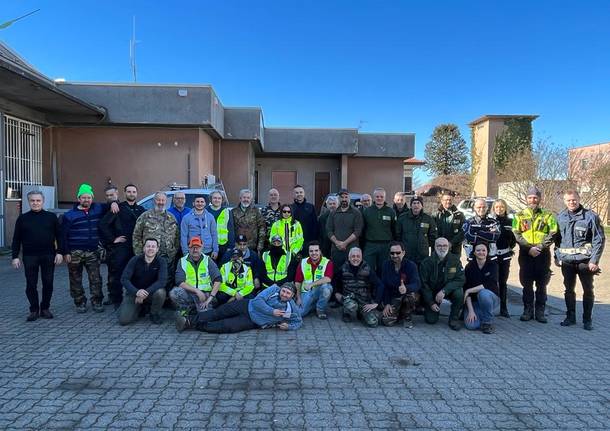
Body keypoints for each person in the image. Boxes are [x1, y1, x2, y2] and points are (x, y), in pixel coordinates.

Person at [555, 190, 605, 330]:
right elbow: (557, 240)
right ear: (565, 201)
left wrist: (594, 261)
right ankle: (570, 317)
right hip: (567, 261)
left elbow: (599, 240)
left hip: (585, 261)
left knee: (588, 290)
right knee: (568, 289)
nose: (571, 202)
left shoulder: (590, 216)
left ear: (578, 199)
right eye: (568, 200)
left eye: (574, 200)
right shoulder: (560, 217)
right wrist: (557, 257)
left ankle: (587, 319)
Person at [11, 190, 63, 321]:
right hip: (29, 256)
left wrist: (60, 252)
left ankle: (45, 308)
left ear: (43, 201)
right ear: (29, 202)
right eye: (32, 200)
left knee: (48, 283)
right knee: (31, 284)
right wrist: (15, 256)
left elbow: (60, 236)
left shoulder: (51, 217)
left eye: (38, 200)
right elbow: (16, 239)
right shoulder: (22, 219)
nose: (35, 203)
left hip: (48, 255)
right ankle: (34, 310)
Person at [175, 282, 302, 333]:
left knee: (225, 326)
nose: (284, 294)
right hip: (246, 305)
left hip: (253, 321)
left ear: (292, 296)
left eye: (288, 293)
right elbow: (258, 300)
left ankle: (194, 325)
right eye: (283, 291)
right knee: (218, 312)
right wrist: (272, 311)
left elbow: (298, 321)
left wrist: (289, 327)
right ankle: (188, 320)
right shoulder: (274, 289)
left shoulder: (291, 308)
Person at [512, 186, 558, 323]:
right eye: (530, 197)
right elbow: (516, 234)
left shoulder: (548, 215)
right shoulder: (519, 215)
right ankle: (527, 310)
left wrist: (540, 246)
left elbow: (553, 232)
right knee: (526, 284)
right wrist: (528, 248)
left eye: (535, 197)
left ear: (539, 199)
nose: (533, 200)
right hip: (526, 253)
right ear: (527, 199)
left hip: (542, 254)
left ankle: (540, 311)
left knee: (542, 284)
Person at [60, 183, 108, 313]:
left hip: (92, 251)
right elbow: (62, 235)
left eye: (89, 197)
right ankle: (80, 302)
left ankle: (97, 301)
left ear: (92, 198)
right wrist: (65, 252)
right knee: (75, 279)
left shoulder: (97, 208)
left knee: (96, 278)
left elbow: (110, 205)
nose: (86, 200)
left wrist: (115, 202)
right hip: (74, 252)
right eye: (83, 197)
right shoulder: (69, 215)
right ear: (78, 198)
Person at [99, 183, 145, 309]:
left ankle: (135, 299)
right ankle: (117, 301)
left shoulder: (141, 210)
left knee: (136, 274)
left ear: (137, 193)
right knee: (117, 273)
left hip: (136, 247)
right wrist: (113, 239)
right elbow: (103, 224)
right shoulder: (118, 208)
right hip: (121, 248)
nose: (131, 194)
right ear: (124, 194)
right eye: (129, 191)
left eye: (134, 192)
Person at [132, 191, 181, 297]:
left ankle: (167, 300)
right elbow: (136, 236)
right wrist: (140, 254)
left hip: (168, 257)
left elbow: (177, 237)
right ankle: (148, 302)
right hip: (149, 257)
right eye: (158, 200)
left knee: (168, 279)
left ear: (166, 201)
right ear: (154, 201)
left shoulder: (171, 217)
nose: (161, 202)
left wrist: (173, 251)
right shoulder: (145, 216)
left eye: (163, 200)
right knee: (149, 280)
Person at [117, 238, 168, 325]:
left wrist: (144, 293)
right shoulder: (135, 260)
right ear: (144, 248)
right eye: (148, 246)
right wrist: (136, 292)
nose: (150, 249)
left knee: (161, 292)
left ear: (157, 249)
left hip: (151, 293)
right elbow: (124, 279)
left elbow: (162, 281)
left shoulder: (161, 261)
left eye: (153, 246)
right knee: (124, 320)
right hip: (134, 292)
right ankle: (140, 308)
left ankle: (154, 313)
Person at [419, 237, 465, 330]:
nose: (442, 248)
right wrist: (431, 302)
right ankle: (428, 308)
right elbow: (424, 285)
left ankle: (453, 319)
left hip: (448, 291)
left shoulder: (455, 260)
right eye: (439, 246)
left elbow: (460, 279)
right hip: (433, 293)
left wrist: (444, 291)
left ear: (449, 247)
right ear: (434, 247)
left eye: (445, 246)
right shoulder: (426, 262)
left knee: (459, 292)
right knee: (431, 320)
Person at [170, 237, 222, 315]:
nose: (195, 250)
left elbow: (218, 279)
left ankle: (194, 311)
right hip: (190, 293)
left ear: (202, 247)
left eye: (198, 247)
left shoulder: (208, 260)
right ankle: (187, 309)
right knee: (174, 292)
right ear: (188, 248)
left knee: (204, 318)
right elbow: (179, 282)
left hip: (205, 296)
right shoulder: (182, 261)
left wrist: (210, 298)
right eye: (192, 247)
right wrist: (196, 291)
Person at [337, 247, 384, 327]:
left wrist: (376, 302)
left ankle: (360, 313)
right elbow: (335, 281)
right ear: (349, 257)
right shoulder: (343, 268)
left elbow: (380, 285)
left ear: (361, 257)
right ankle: (346, 313)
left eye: (358, 256)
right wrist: (336, 293)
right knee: (351, 305)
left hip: (364, 300)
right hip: (349, 299)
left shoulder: (368, 269)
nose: (355, 258)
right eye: (353, 256)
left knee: (373, 323)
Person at [380, 241, 420, 328]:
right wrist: (387, 303)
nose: (395, 255)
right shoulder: (385, 265)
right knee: (387, 321)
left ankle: (407, 317)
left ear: (403, 253)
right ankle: (399, 314)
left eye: (398, 253)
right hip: (394, 297)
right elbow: (384, 285)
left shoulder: (411, 265)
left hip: (407, 295)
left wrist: (406, 288)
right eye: (392, 253)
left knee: (411, 296)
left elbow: (417, 284)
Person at [463, 242, 500, 334]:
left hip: (490, 298)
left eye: (484, 250)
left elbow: (489, 284)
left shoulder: (493, 265)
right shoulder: (469, 267)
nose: (481, 252)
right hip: (474, 302)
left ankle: (487, 323)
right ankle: (481, 314)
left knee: (483, 293)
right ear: (474, 252)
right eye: (478, 250)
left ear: (487, 252)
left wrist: (469, 290)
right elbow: (466, 289)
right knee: (471, 326)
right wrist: (471, 311)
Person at [294, 241, 334, 319]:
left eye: (316, 250)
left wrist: (311, 284)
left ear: (320, 251)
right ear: (308, 252)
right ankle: (313, 305)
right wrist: (298, 297)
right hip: (306, 292)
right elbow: (298, 281)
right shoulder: (303, 262)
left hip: (319, 290)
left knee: (327, 288)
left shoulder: (327, 262)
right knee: (300, 313)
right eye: (311, 251)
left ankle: (320, 309)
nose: (314, 253)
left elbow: (328, 278)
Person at [491, 199, 516, 317]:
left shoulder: (511, 221)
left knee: (503, 282)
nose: (499, 209)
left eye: (501, 207)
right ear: (493, 208)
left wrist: (510, 248)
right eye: (497, 207)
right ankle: (490, 307)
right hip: (493, 256)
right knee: (492, 281)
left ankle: (503, 308)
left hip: (505, 256)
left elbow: (514, 239)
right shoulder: (490, 222)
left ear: (505, 208)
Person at [362, 188, 397, 275]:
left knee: (384, 269)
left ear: (385, 198)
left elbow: (395, 229)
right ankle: (370, 288)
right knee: (368, 269)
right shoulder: (367, 211)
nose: (379, 198)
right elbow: (363, 229)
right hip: (370, 245)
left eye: (381, 196)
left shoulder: (391, 211)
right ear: (374, 198)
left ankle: (383, 288)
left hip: (385, 245)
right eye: (377, 196)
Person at [327, 188, 364, 269]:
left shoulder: (356, 212)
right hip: (336, 250)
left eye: (346, 197)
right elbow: (329, 230)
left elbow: (358, 231)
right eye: (342, 197)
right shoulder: (333, 213)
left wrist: (345, 243)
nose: (344, 199)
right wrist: (337, 242)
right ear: (339, 199)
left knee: (351, 272)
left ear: (349, 198)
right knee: (336, 274)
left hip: (351, 250)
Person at [396, 196, 437, 265]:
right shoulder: (402, 218)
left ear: (422, 206)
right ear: (411, 206)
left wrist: (423, 245)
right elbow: (397, 235)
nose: (416, 205)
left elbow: (433, 236)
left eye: (418, 203)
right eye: (414, 203)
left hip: (422, 255)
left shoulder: (428, 219)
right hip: (406, 255)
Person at [233, 188, 266, 254]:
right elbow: (231, 230)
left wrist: (260, 245)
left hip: (252, 247)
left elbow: (262, 228)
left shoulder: (256, 211)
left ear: (251, 200)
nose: (246, 199)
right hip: (238, 246)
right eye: (244, 197)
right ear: (240, 198)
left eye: (248, 198)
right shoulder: (233, 212)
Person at [207, 190, 235, 262]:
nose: (217, 200)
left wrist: (230, 246)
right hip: (209, 245)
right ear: (211, 199)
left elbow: (231, 230)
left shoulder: (227, 211)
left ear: (222, 200)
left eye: (219, 198)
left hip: (223, 246)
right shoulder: (205, 211)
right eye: (215, 198)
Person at [434, 193, 465, 257]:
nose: (448, 202)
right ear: (442, 201)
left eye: (450, 200)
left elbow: (463, 231)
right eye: (446, 200)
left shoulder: (459, 215)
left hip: (454, 249)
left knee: (453, 266)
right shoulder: (435, 215)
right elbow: (432, 231)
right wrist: (440, 243)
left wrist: (451, 243)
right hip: (439, 247)